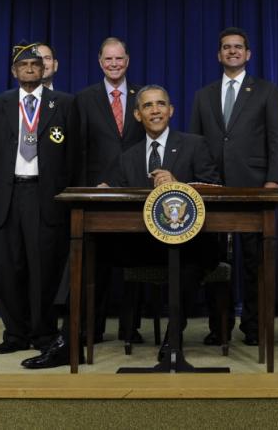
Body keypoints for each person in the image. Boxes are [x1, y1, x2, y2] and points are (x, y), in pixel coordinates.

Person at [101, 85, 222, 357]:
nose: (155, 110)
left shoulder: (194, 144)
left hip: (191, 241)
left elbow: (215, 187)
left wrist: (179, 184)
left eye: (160, 104)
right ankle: (68, 338)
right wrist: (103, 191)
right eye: (147, 106)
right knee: (86, 247)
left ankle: (173, 338)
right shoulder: (127, 158)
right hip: (144, 244)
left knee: (191, 258)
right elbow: (116, 194)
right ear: (137, 114)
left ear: (171, 110)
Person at [189, 26, 278, 346]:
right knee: (217, 261)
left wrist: (273, 179)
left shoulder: (266, 91)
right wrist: (199, 183)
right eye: (226, 47)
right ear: (219, 55)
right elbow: (195, 145)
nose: (232, 51)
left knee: (254, 260)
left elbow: (276, 139)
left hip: (255, 187)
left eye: (238, 47)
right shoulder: (203, 95)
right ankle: (219, 328)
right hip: (213, 189)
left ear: (248, 54)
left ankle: (256, 327)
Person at [0, 43, 76, 359]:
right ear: (13, 71)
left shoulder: (63, 104)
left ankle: (44, 332)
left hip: (44, 196)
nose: (29, 68)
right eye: (22, 64)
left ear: (45, 69)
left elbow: (74, 156)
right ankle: (15, 333)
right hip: (8, 195)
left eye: (35, 64)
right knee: (9, 268)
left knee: (44, 269)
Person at [72, 37, 146, 342]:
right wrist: (85, 190)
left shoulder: (143, 95)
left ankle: (131, 329)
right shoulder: (84, 98)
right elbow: (80, 148)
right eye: (108, 60)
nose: (114, 64)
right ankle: (94, 326)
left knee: (136, 264)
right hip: (98, 193)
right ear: (100, 62)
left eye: (119, 59)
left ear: (127, 61)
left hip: (135, 192)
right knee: (97, 265)